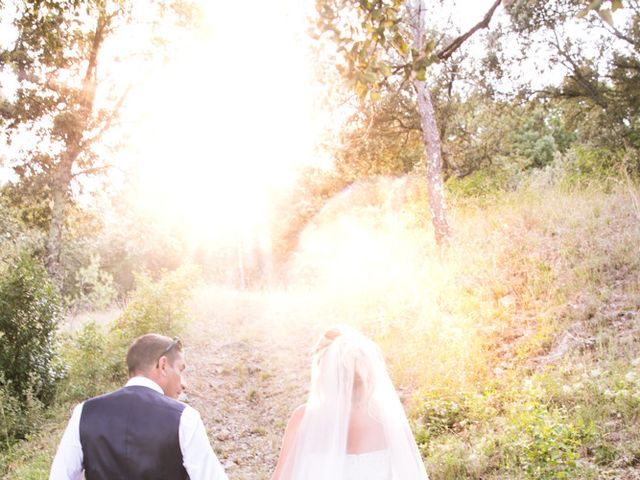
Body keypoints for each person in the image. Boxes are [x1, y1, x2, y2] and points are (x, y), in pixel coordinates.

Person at [49, 333, 228, 480]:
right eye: (180, 370)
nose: (183, 383)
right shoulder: (184, 418)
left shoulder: (85, 412)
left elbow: (60, 476)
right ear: (163, 365)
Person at [271, 325, 429, 480]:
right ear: (369, 376)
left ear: (326, 375)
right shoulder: (386, 417)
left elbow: (281, 477)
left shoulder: (303, 418)